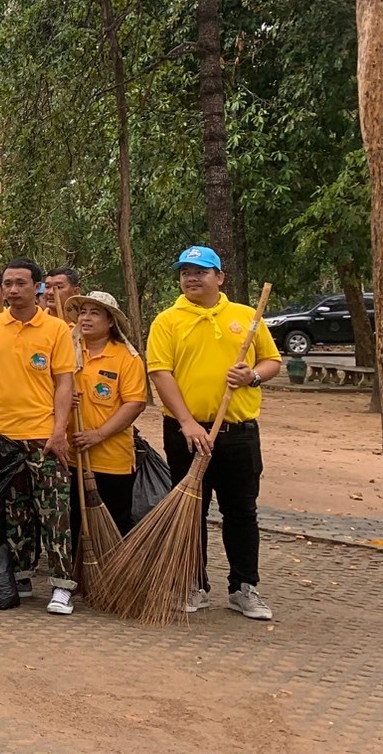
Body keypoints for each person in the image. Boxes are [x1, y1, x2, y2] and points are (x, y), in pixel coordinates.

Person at [146, 246, 281, 619]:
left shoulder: (246, 316)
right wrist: (188, 422)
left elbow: (271, 361)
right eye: (185, 272)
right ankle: (194, 584)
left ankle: (244, 588)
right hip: (186, 432)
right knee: (191, 511)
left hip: (238, 432)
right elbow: (160, 373)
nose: (191, 278)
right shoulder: (167, 321)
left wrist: (252, 376)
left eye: (200, 271)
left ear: (219, 277)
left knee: (242, 511)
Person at [0, 258, 78, 615]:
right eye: (8, 283)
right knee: (15, 511)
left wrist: (59, 431)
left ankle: (61, 585)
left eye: (21, 283)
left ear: (37, 287)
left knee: (54, 511)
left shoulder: (56, 329)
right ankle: (21, 575)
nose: (13, 290)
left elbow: (64, 382)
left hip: (44, 437)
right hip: (3, 436)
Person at [65, 290, 148, 545]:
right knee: (76, 525)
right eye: (83, 312)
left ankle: (115, 569)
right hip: (71, 456)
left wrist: (98, 435)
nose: (85, 318)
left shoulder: (127, 358)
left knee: (114, 524)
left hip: (112, 459)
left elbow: (135, 404)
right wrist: (63, 396)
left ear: (110, 321)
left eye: (94, 313)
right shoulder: (67, 352)